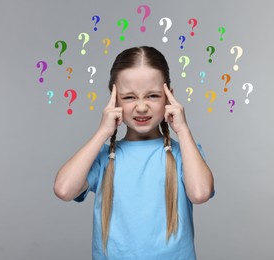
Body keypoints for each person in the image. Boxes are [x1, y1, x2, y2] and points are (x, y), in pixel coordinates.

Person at [54, 46, 214, 259]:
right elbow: (64, 189)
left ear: (169, 98)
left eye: (153, 96)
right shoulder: (104, 158)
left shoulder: (184, 153)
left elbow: (200, 193)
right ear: (114, 100)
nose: (141, 107)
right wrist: (103, 131)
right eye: (129, 97)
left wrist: (183, 130)